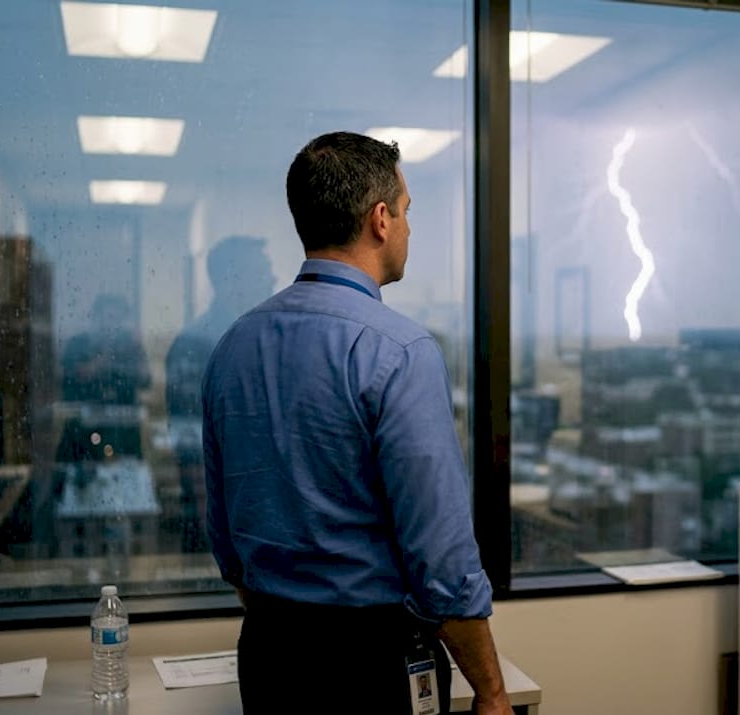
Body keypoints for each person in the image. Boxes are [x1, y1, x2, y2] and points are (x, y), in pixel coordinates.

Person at [202, 131, 512, 714]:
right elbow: (442, 560)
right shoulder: (400, 351)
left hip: (269, 655)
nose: (409, 228)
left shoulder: (233, 347)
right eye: (406, 211)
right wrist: (492, 692)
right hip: (371, 664)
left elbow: (226, 537)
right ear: (380, 220)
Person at [165, 235, 275, 550]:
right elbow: (190, 439)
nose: (272, 280)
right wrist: (211, 530)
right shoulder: (196, 344)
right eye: (261, 272)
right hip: (222, 520)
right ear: (230, 281)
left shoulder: (263, 335)